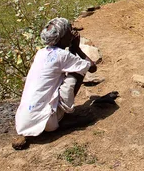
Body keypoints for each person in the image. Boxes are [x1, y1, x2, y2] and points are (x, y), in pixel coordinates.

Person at [12, 18, 97, 150]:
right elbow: (91, 67)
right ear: (62, 38)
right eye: (70, 31)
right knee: (78, 72)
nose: (73, 33)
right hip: (49, 122)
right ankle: (63, 118)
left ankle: (39, 126)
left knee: (68, 72)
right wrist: (77, 48)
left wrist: (71, 48)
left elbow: (66, 62)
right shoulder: (62, 55)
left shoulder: (41, 53)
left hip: (23, 121)